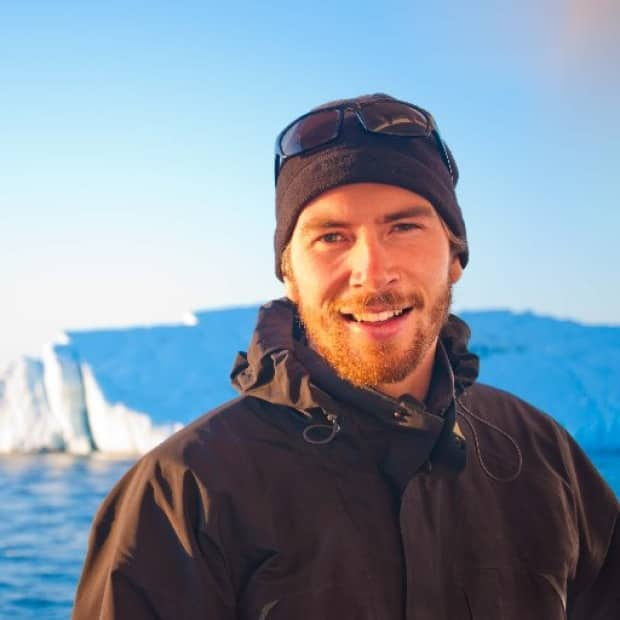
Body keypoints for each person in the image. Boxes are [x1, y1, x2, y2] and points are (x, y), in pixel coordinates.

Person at [73, 94, 619, 619]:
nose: (373, 273)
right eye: (331, 236)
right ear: (289, 272)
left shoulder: (541, 455)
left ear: (455, 256)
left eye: (403, 227)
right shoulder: (184, 493)